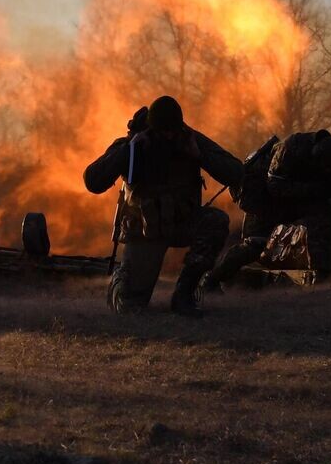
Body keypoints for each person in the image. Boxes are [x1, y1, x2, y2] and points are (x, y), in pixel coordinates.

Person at [83, 96, 241, 316]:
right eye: (162, 131)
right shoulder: (133, 143)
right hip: (145, 231)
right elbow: (93, 181)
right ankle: (123, 279)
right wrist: (127, 151)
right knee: (130, 308)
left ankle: (185, 293)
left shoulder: (189, 140)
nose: (168, 136)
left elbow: (236, 173)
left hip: (182, 223)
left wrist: (200, 155)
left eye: (172, 131)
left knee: (216, 221)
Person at [205, 130, 331, 288]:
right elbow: (275, 186)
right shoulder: (290, 149)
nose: (328, 171)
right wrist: (314, 190)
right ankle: (212, 280)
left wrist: (330, 186)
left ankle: (324, 275)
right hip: (262, 197)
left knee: (324, 217)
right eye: (326, 168)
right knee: (255, 245)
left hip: (291, 196)